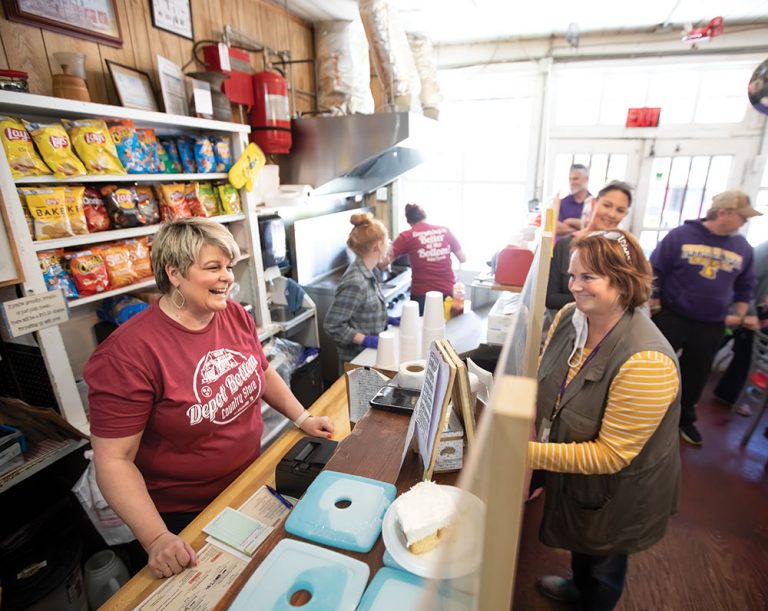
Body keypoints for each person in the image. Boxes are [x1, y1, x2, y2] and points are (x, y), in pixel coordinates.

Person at [84, 217, 334, 579]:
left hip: (250, 481)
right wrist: (156, 539)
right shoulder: (128, 355)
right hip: (187, 512)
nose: (228, 277)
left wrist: (303, 418)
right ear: (174, 273)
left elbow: (260, 370)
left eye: (229, 267)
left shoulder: (231, 314)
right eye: (213, 267)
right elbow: (113, 461)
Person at [531, 229, 681, 611]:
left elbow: (610, 456)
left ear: (623, 280)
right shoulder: (569, 317)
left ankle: (592, 601)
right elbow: (546, 376)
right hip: (582, 482)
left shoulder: (647, 362)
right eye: (571, 275)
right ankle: (577, 587)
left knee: (605, 558)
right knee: (584, 541)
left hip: (621, 490)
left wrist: (523, 453)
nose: (573, 287)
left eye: (587, 278)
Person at [650, 191, 761, 445]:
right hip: (672, 316)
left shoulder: (742, 247)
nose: (744, 222)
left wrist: (741, 314)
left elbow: (746, 285)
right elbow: (655, 269)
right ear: (724, 212)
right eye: (742, 217)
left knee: (697, 373)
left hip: (711, 324)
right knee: (656, 366)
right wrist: (655, 305)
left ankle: (685, 419)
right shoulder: (680, 236)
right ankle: (646, 413)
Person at [324, 212, 395, 372]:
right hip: (358, 363)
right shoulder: (355, 281)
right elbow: (332, 325)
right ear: (378, 245)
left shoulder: (370, 271)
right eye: (387, 242)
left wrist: (387, 319)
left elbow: (362, 312)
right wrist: (364, 340)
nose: (388, 245)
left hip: (370, 358)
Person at [546, 181, 632, 311]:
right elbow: (551, 298)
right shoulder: (565, 246)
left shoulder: (625, 251)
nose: (612, 214)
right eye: (607, 205)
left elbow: (630, 297)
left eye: (620, 210)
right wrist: (600, 299)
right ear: (593, 204)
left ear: (625, 215)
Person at [714, 239, 768, 415]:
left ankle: (728, 397)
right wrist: (749, 313)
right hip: (738, 310)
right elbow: (744, 283)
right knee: (706, 350)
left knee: (745, 357)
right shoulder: (764, 251)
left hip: (759, 315)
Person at [389, 203, 466, 314]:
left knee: (421, 329)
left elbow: (385, 260)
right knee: (447, 328)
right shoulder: (445, 231)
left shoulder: (407, 236)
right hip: (446, 292)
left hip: (422, 295)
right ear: (424, 216)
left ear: (409, 221)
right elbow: (463, 258)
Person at [556, 164, 591, 238]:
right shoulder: (562, 203)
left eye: (575, 179)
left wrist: (570, 221)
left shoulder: (594, 203)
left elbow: (595, 227)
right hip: (563, 247)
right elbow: (557, 228)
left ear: (586, 179)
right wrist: (583, 227)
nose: (572, 182)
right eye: (570, 179)